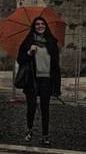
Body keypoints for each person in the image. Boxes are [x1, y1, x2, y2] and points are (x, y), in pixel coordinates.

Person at [16, 17, 61, 146]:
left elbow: (56, 66)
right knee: (31, 107)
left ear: (46, 26)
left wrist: (57, 86)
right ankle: (29, 130)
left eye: (42, 24)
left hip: (47, 79)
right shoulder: (28, 41)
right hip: (32, 79)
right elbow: (20, 59)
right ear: (34, 27)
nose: (40, 26)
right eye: (37, 24)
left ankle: (45, 135)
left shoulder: (51, 42)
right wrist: (29, 52)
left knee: (45, 108)